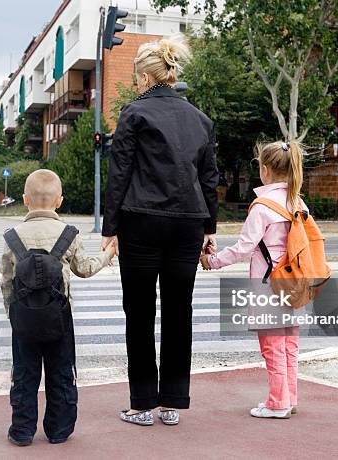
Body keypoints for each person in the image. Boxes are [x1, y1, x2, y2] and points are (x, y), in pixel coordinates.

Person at [101, 35, 219, 426]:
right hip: (188, 225)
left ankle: (141, 405)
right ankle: (172, 403)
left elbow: (120, 174)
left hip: (142, 220)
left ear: (147, 77)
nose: (136, 84)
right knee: (178, 311)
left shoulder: (134, 114)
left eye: (137, 76)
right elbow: (209, 178)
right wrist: (209, 227)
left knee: (138, 312)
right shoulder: (201, 120)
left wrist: (110, 228)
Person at [0, 169, 116, 445]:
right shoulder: (68, 234)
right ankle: (59, 430)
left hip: (25, 321)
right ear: (60, 201)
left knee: (24, 374)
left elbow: (6, 280)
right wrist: (108, 253)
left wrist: (13, 316)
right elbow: (85, 269)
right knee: (62, 372)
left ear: (25, 199)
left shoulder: (12, 236)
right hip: (60, 319)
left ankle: (22, 430)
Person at [200, 141, 306, 419]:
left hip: (268, 286)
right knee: (289, 345)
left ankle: (277, 403)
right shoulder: (299, 201)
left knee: (272, 347)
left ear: (265, 169)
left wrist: (212, 260)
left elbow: (243, 249)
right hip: (296, 283)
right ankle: (289, 398)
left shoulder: (262, 207)